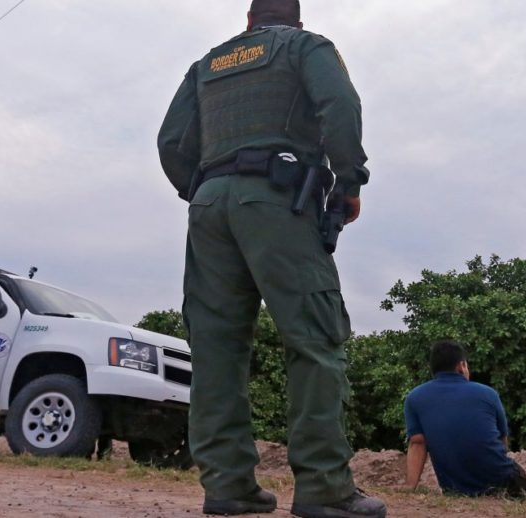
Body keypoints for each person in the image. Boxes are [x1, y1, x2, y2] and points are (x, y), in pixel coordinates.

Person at [157, 1, 383, 517]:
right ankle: (325, 489)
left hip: (209, 205)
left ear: (249, 23)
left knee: (216, 348)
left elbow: (171, 142)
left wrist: (208, 189)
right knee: (314, 338)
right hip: (278, 200)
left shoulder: (208, 64)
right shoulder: (307, 47)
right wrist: (348, 182)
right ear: (295, 21)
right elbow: (341, 107)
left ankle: (228, 486)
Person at [403, 340, 526, 497]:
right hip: (501, 481)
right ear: (461, 366)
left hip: (455, 489)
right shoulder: (488, 394)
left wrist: (410, 486)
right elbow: (502, 440)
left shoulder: (415, 398)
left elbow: (417, 443)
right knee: (519, 475)